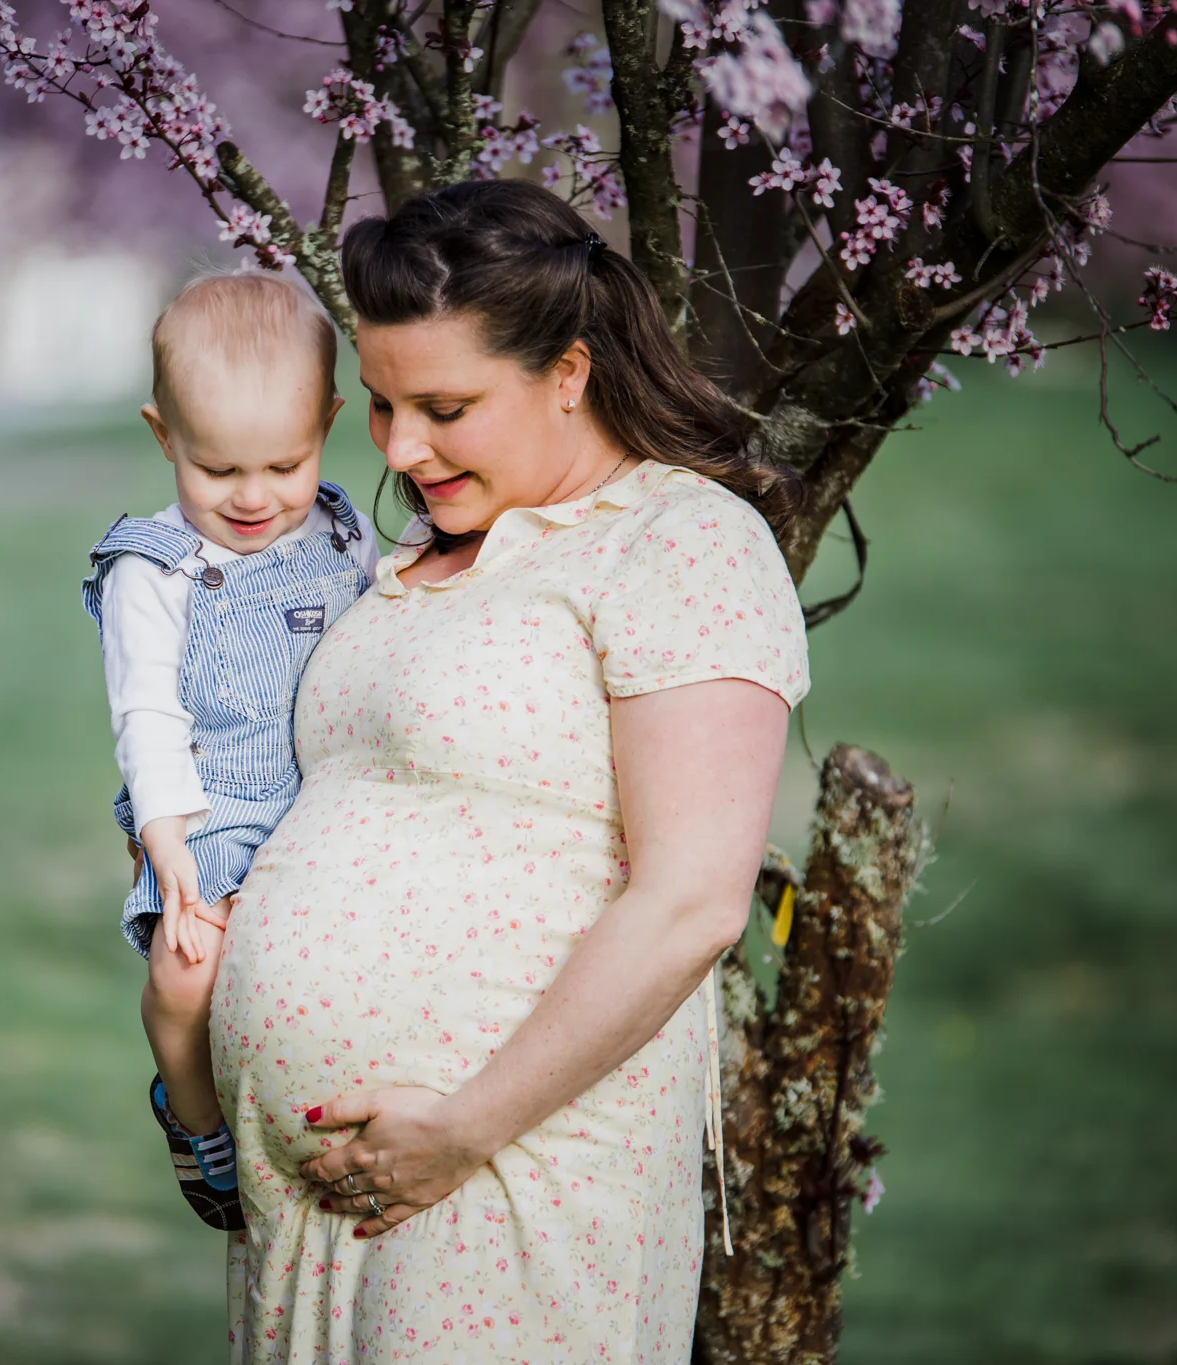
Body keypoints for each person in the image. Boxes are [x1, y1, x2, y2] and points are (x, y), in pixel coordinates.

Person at [209, 179, 811, 1361]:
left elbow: (689, 899)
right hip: (326, 1203)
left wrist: (461, 1129)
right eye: (380, 406)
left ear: (569, 373)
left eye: (444, 405)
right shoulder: (412, 563)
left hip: (511, 1169)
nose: (400, 446)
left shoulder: (674, 540)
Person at [82, 271, 381, 1232]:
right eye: (217, 472)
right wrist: (169, 846)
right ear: (163, 434)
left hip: (330, 798)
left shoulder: (343, 533)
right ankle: (193, 1112)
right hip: (212, 808)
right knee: (186, 970)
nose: (255, 498)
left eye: (284, 465)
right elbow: (147, 715)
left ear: (328, 424)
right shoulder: (153, 568)